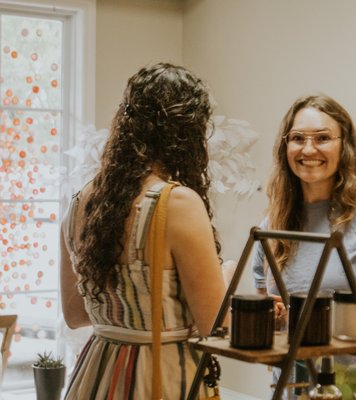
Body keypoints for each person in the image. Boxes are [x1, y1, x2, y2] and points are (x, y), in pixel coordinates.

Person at [60, 63, 226, 399]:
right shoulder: (177, 203)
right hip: (162, 377)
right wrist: (229, 274)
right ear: (187, 133)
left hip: (96, 375)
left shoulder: (81, 203)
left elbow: (75, 315)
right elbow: (215, 327)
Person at [252, 94, 356, 395]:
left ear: (345, 146)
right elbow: (273, 324)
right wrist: (270, 317)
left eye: (323, 138)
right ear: (285, 146)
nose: (309, 149)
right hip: (294, 388)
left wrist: (321, 321)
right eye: (298, 138)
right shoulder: (270, 228)